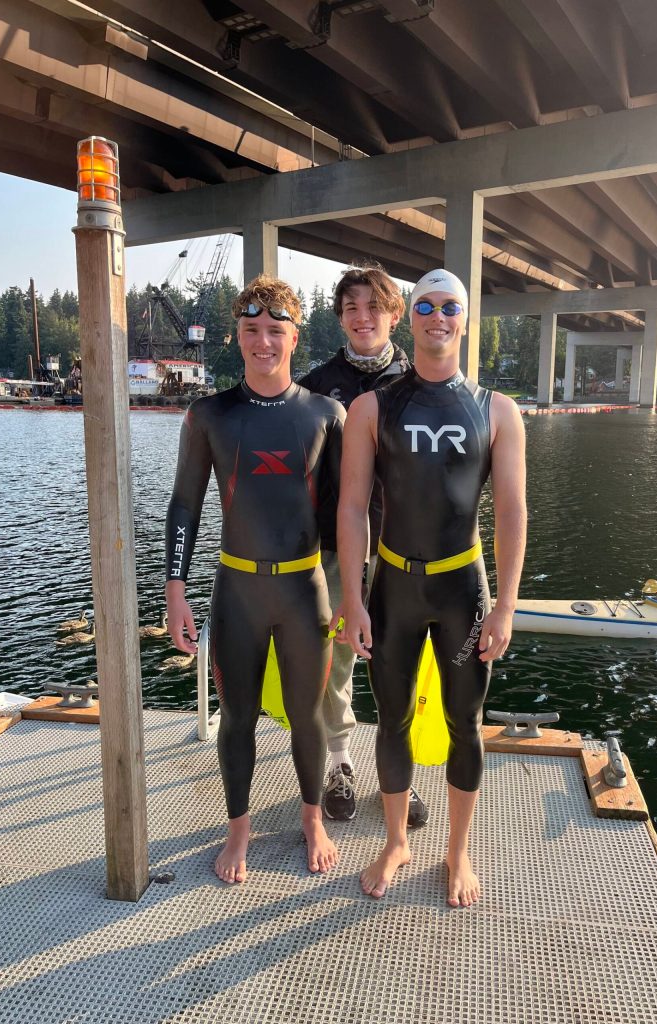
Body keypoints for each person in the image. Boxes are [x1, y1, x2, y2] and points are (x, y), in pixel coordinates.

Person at [337, 268, 527, 907]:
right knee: (390, 722)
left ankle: (458, 851)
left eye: (450, 306)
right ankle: (395, 841)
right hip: (393, 584)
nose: (437, 316)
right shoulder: (373, 407)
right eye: (425, 305)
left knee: (463, 724)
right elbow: (352, 504)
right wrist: (351, 596)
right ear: (409, 315)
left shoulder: (495, 410)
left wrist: (504, 604)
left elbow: (512, 511)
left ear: (465, 319)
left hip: (462, 592)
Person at [165, 274, 344, 884]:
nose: (262, 342)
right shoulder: (210, 414)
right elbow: (184, 505)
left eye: (275, 330)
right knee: (237, 718)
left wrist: (359, 594)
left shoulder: (326, 413)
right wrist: (174, 592)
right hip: (236, 589)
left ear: (295, 336)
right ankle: (238, 827)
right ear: (236, 337)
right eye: (250, 331)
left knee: (307, 715)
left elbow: (347, 512)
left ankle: (312, 817)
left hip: (305, 590)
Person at [299, 264, 427, 828]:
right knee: (338, 660)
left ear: (394, 314)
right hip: (333, 544)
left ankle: (399, 777)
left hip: (405, 545)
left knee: (401, 662)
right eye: (351, 307)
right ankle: (340, 763)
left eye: (373, 306)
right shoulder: (316, 384)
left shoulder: (424, 381)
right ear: (341, 317)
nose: (362, 317)